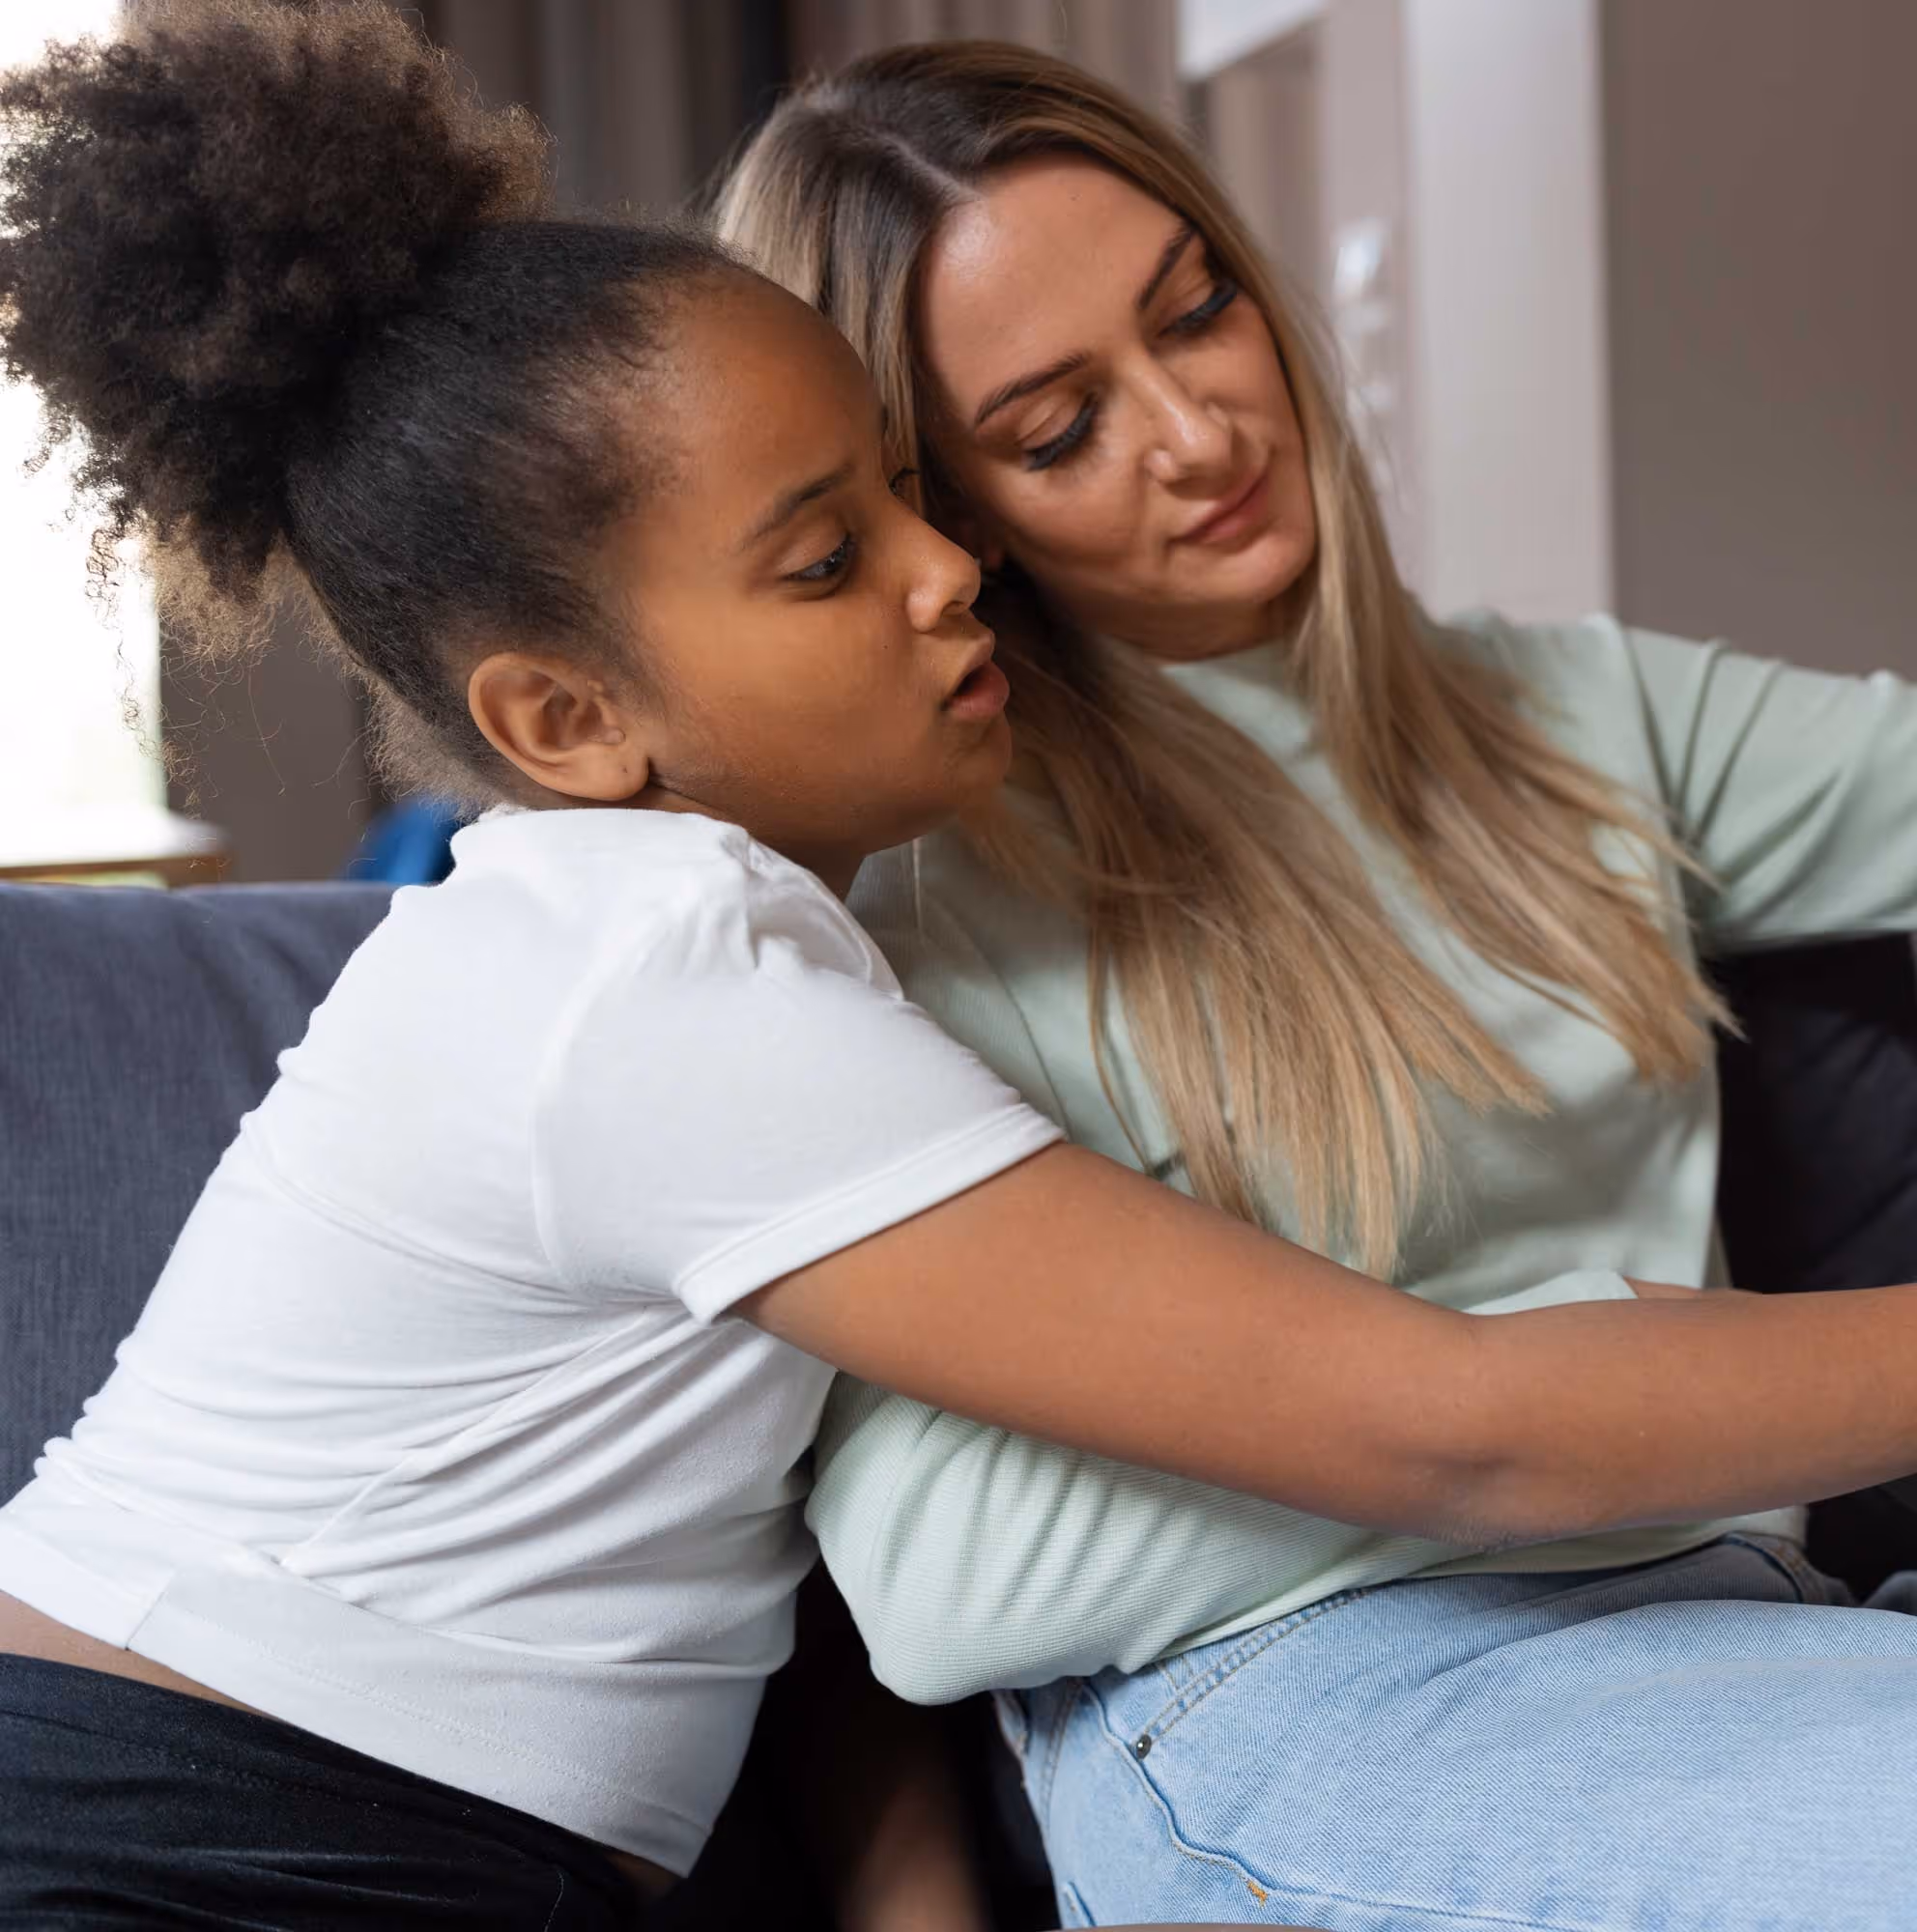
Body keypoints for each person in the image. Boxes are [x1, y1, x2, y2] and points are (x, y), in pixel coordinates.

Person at [712, 40, 1917, 1932]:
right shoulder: (919, 899)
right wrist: (1524, 1418)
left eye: (1192, 314)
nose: (1194, 432)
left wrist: (1582, 1426)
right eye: (1054, 430)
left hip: (1736, 1632)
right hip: (1298, 1699)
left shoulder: (1564, 714)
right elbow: (946, 1575)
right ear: (937, 509)